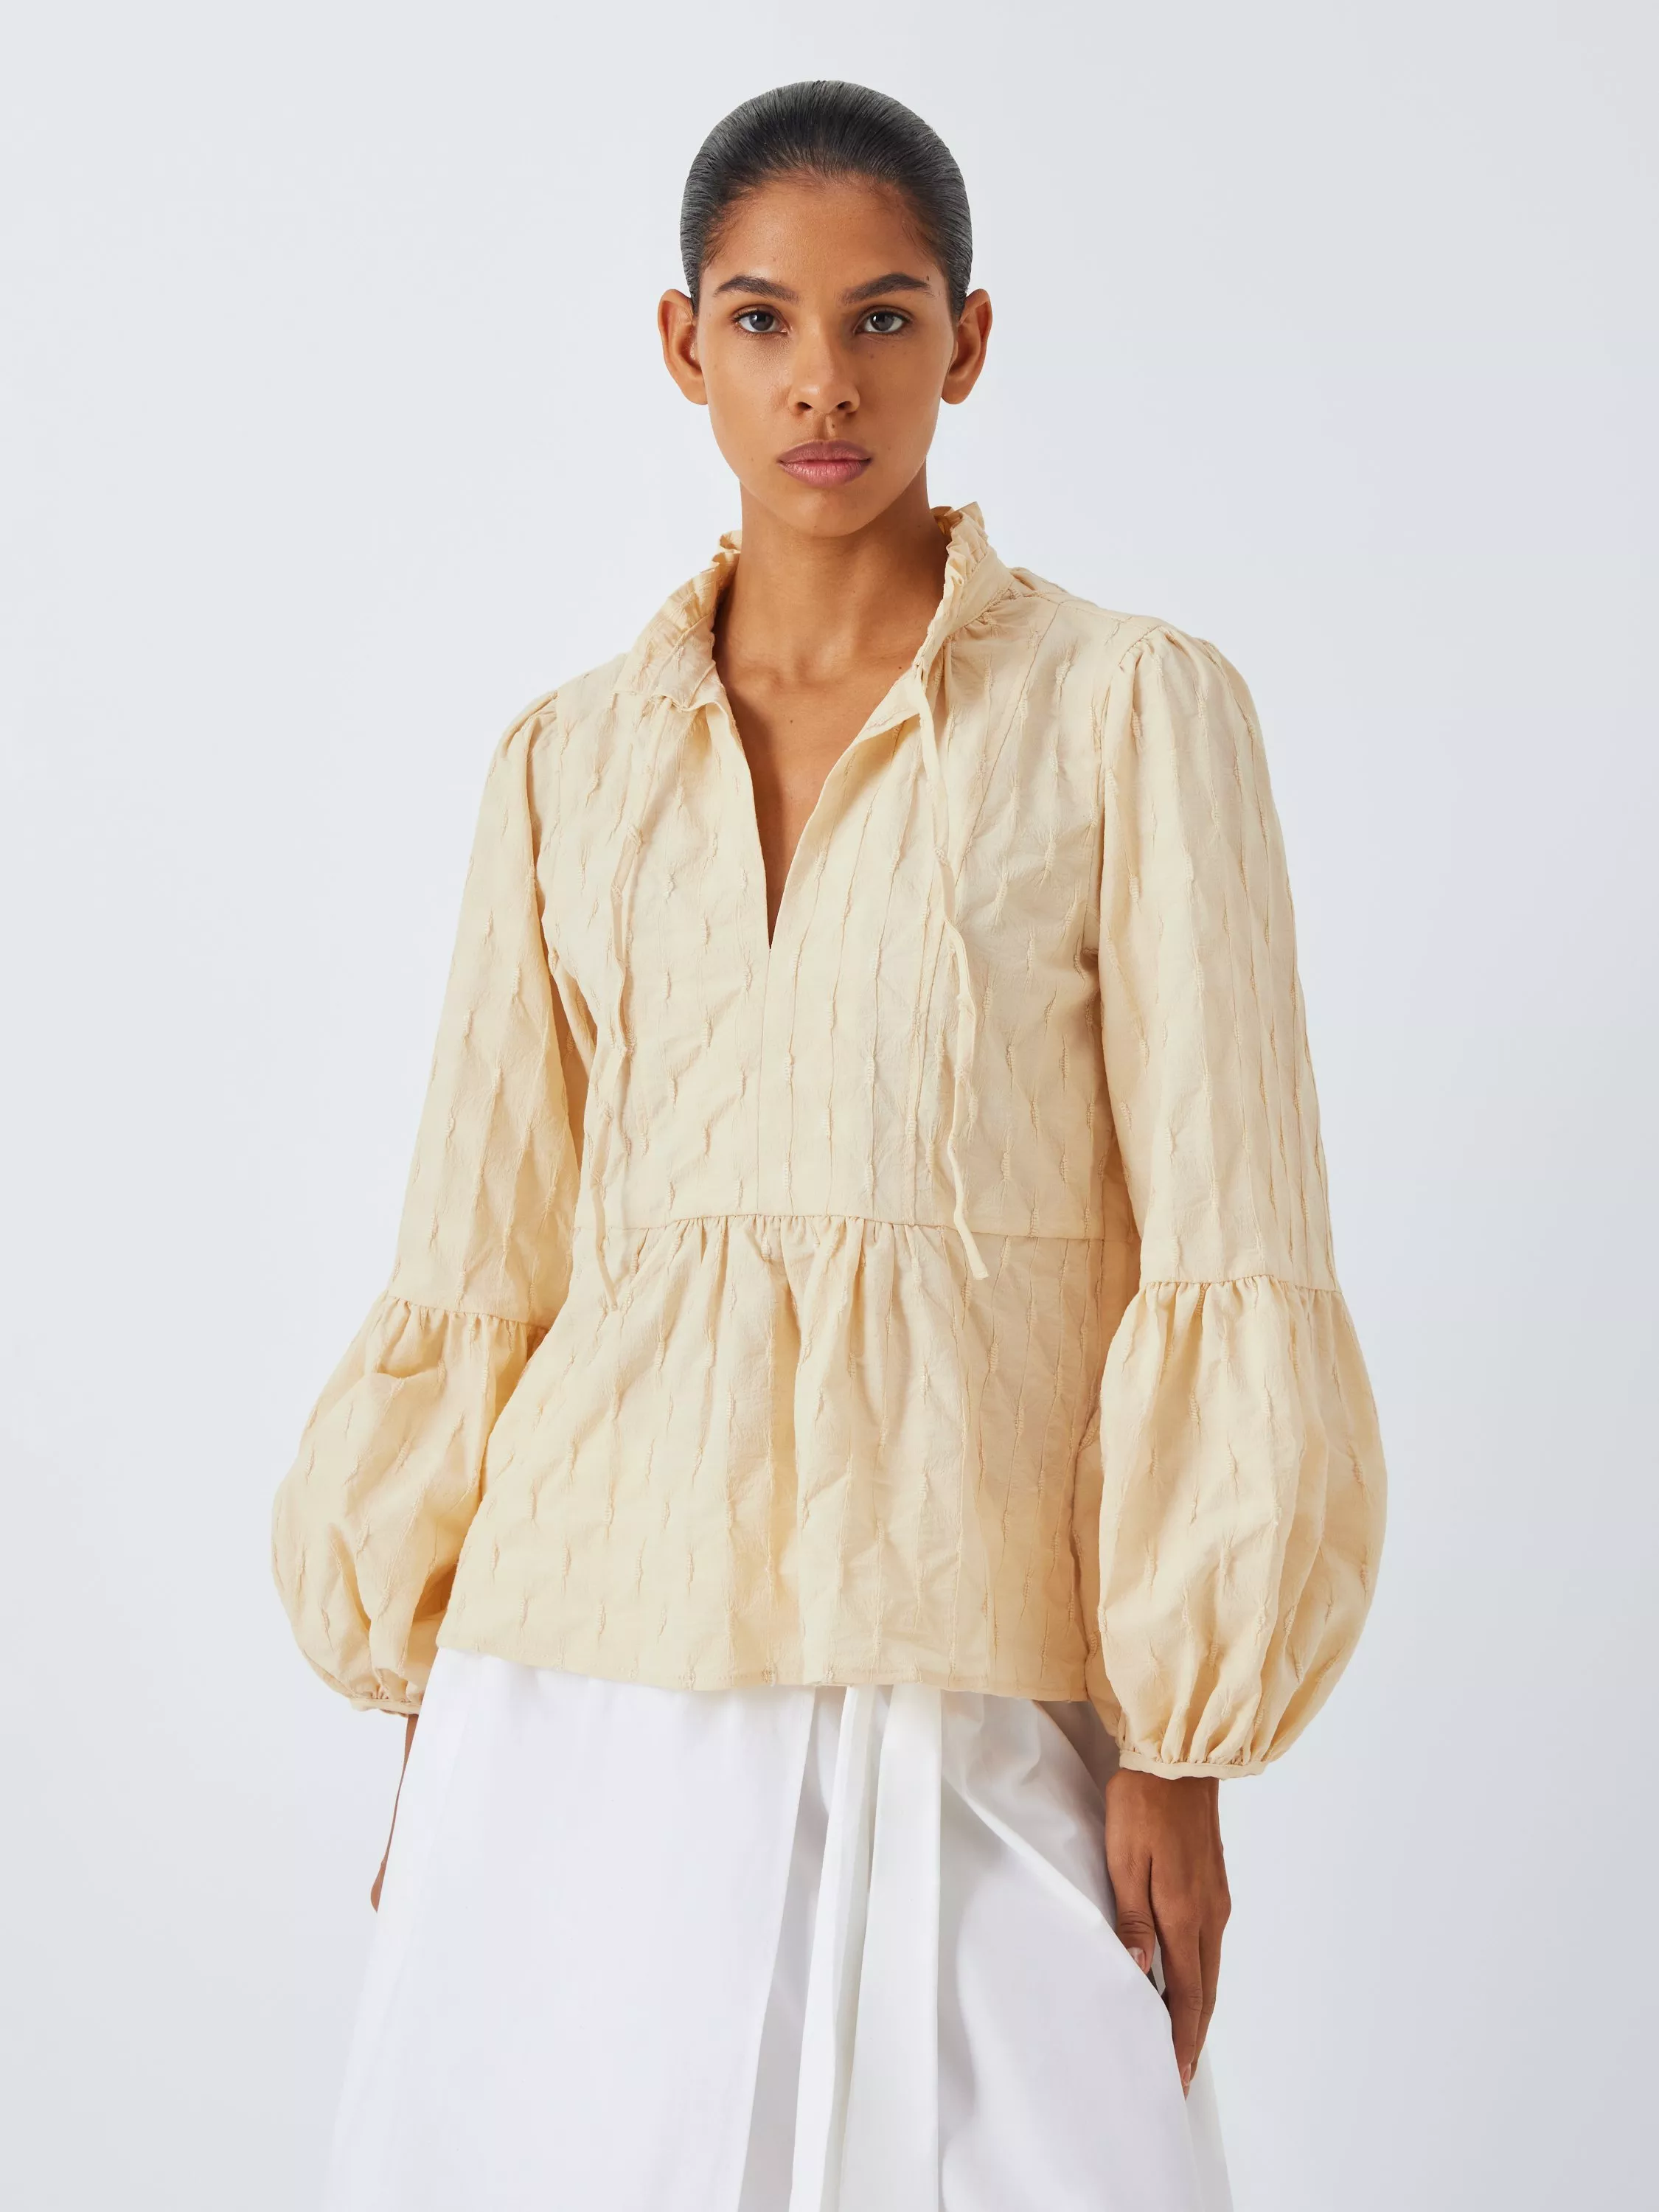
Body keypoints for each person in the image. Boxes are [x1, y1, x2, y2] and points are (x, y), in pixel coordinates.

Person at [271, 78, 1386, 2212]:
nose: (823, 384)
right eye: (764, 320)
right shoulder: (562, 767)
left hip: (966, 1636)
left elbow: (1227, 1218)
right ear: (681, 344)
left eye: (884, 318)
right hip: (582, 1655)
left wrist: (1179, 1743)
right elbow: (484, 1249)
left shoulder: (1132, 713)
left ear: (969, 342)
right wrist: (441, 1726)